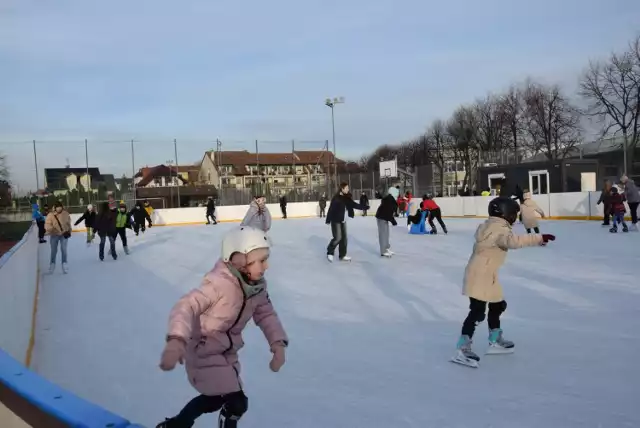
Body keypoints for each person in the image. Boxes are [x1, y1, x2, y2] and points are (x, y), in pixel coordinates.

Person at [156, 227, 288, 428]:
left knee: (216, 399)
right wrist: (176, 340)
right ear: (239, 260)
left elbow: (266, 314)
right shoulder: (218, 285)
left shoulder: (256, 287)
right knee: (236, 401)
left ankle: (176, 425)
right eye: (260, 260)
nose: (266, 266)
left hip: (227, 352)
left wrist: (277, 343)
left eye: (266, 259)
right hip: (203, 350)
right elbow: (186, 305)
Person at [451, 197, 555, 368]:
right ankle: (462, 348)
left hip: (486, 274)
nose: (515, 218)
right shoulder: (499, 230)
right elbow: (513, 242)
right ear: (506, 213)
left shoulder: (491, 225)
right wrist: (538, 238)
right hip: (480, 275)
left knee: (498, 305)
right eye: (514, 214)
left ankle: (495, 338)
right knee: (477, 312)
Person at [325, 182, 367, 262]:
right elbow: (331, 209)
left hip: (343, 221)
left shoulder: (347, 197)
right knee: (337, 238)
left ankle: (342, 255)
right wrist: (328, 220)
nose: (348, 189)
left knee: (344, 239)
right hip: (336, 220)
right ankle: (330, 252)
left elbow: (354, 205)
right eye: (346, 188)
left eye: (348, 188)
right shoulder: (336, 198)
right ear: (342, 189)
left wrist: (364, 207)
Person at [44, 201, 72, 274]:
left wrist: (69, 231)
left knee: (64, 249)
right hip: (54, 235)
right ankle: (52, 264)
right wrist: (52, 230)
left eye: (60, 208)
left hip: (64, 235)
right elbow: (47, 225)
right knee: (54, 250)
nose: (59, 209)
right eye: (58, 208)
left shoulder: (65, 213)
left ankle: (64, 263)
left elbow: (69, 223)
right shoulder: (50, 215)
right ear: (55, 208)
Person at [375, 189, 398, 257]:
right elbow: (388, 212)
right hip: (381, 217)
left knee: (386, 234)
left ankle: (386, 248)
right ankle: (383, 251)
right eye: (397, 193)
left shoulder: (390, 198)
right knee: (383, 234)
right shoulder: (389, 200)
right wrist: (393, 221)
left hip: (385, 217)